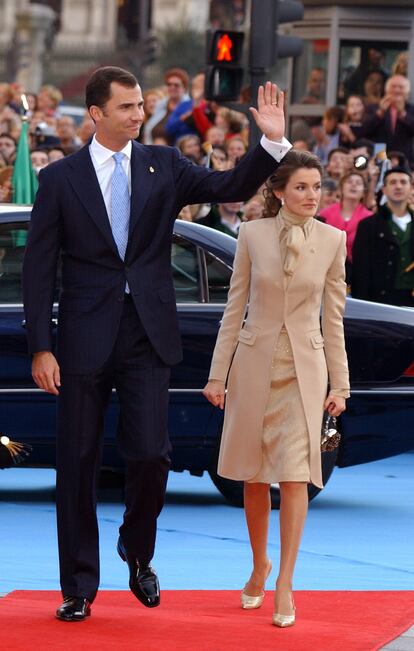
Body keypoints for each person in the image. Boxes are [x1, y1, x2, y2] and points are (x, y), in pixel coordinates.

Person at [22, 66, 292, 622]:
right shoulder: (59, 180)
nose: (139, 115)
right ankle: (78, 586)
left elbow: (230, 187)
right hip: (81, 337)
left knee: (151, 454)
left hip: (147, 333)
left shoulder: (163, 165)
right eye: (127, 107)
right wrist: (40, 347)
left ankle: (136, 550)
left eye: (141, 105)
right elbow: (37, 271)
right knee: (77, 461)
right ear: (96, 114)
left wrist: (271, 142)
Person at [203, 150, 349, 628]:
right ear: (280, 191)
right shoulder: (251, 235)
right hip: (253, 367)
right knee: (252, 476)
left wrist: (340, 384)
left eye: (318, 187)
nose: (312, 195)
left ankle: (285, 581)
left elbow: (334, 320)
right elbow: (234, 308)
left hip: (304, 372)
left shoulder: (333, 240)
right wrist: (217, 374)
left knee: (294, 476)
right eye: (303, 187)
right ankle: (259, 565)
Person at [352, 167, 414, 306]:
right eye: (392, 182)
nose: (398, 186)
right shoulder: (368, 225)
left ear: (411, 188)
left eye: (403, 182)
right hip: (380, 301)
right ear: (384, 189)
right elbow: (361, 269)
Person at [319, 171, 373, 280]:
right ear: (341, 189)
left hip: (356, 275)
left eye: (358, 183)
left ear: (364, 192)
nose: (353, 185)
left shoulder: (370, 219)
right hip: (325, 272)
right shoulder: (325, 214)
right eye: (349, 182)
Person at [361, 75, 414, 168]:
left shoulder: (411, 110)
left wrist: (403, 114)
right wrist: (380, 113)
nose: (397, 90)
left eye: (401, 87)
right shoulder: (373, 108)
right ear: (386, 90)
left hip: (404, 156)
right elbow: (365, 130)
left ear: (407, 92)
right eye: (393, 86)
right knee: (380, 177)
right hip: (380, 152)